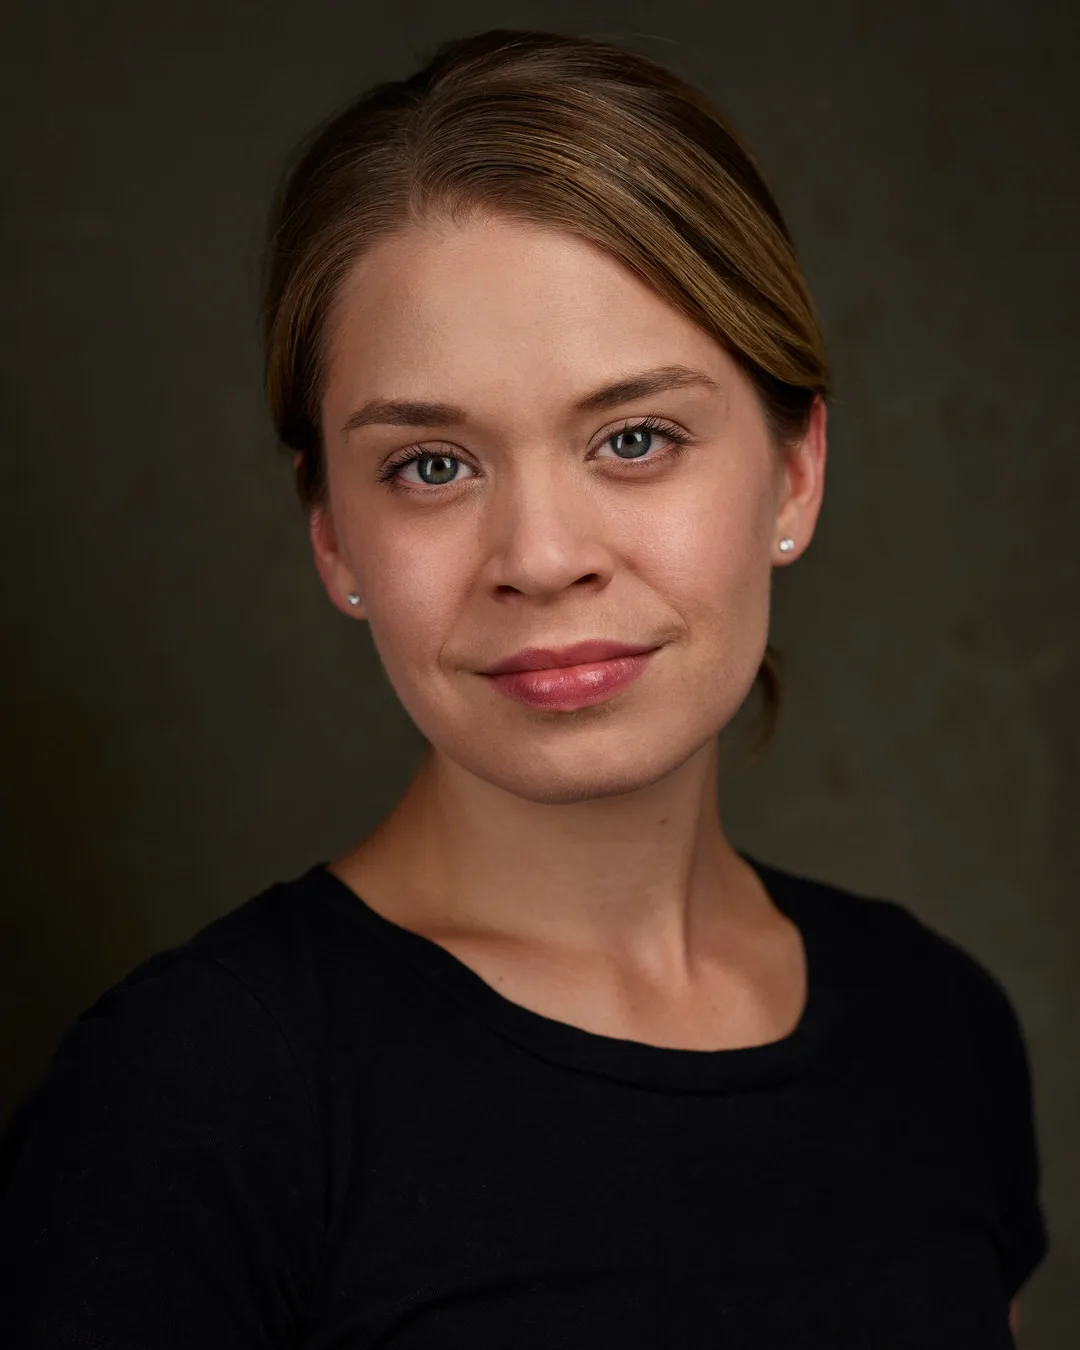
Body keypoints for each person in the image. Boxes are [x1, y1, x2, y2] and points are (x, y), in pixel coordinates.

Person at [0, 27, 1047, 1348]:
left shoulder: (936, 1027)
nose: (542, 559)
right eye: (431, 466)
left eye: (635, 438)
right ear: (332, 534)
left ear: (794, 473)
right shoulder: (190, 1100)